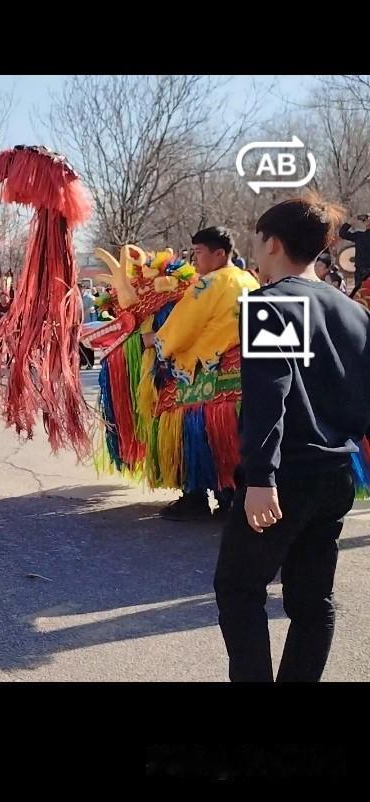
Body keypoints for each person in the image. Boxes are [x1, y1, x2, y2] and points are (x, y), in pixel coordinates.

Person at [214, 194, 370, 682]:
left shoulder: (269, 305)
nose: (255, 254)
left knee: (239, 589)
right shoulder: (352, 312)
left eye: (256, 243)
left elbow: (270, 391)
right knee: (312, 601)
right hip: (337, 472)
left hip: (286, 474)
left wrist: (259, 476)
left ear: (273, 243)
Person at [147, 227, 259, 521]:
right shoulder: (248, 279)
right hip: (242, 371)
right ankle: (231, 497)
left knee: (193, 429)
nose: (193, 260)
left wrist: (158, 342)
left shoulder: (209, 283)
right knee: (233, 437)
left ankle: (195, 496)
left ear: (219, 253)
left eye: (198, 253)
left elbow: (183, 325)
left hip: (206, 371)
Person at [338, 213, 370, 296]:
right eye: (365, 219)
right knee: (359, 295)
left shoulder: (360, 235)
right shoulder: (360, 235)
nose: (366, 221)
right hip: (359, 271)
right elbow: (342, 234)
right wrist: (349, 223)